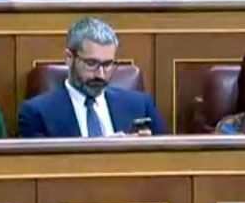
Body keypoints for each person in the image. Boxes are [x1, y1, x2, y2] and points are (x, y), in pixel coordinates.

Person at [18, 17, 164, 139]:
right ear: (69, 58)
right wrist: (107, 152)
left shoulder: (140, 105)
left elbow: (168, 160)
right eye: (91, 63)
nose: (100, 75)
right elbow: (43, 168)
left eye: (107, 65)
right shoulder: (37, 113)